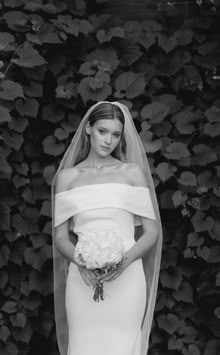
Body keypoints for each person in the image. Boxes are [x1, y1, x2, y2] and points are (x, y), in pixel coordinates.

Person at [51, 101, 162, 355]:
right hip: (82, 278)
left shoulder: (132, 173)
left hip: (127, 277)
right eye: (102, 131)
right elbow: (60, 237)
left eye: (115, 134)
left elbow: (152, 232)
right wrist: (80, 262)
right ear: (88, 129)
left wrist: (125, 260)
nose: (108, 140)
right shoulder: (67, 178)